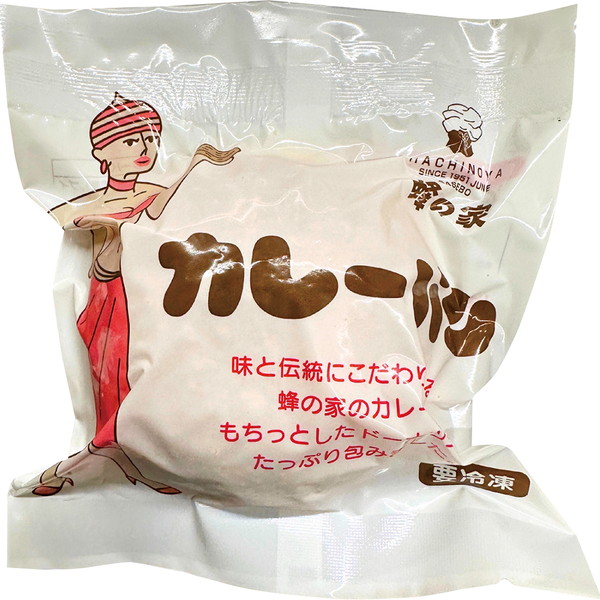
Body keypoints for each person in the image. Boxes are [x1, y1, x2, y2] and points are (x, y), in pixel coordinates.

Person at [31, 93, 240, 496]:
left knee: (142, 378)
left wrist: (196, 162)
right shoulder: (85, 204)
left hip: (146, 299)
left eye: (149, 139)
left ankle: (136, 458)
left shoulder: (153, 194)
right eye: (130, 140)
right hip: (105, 299)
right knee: (109, 380)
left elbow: (165, 208)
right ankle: (106, 456)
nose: (144, 148)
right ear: (100, 151)